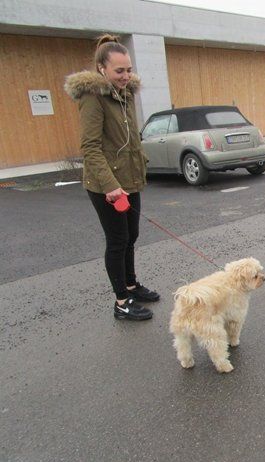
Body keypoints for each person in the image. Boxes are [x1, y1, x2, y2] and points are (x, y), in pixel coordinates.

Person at [64, 34, 159, 321]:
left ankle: (131, 285)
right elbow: (90, 147)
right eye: (119, 71)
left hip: (129, 180)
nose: (126, 76)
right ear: (101, 69)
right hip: (105, 184)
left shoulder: (125, 93)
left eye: (128, 69)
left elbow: (129, 140)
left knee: (132, 235)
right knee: (117, 240)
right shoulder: (93, 98)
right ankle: (121, 302)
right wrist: (111, 186)